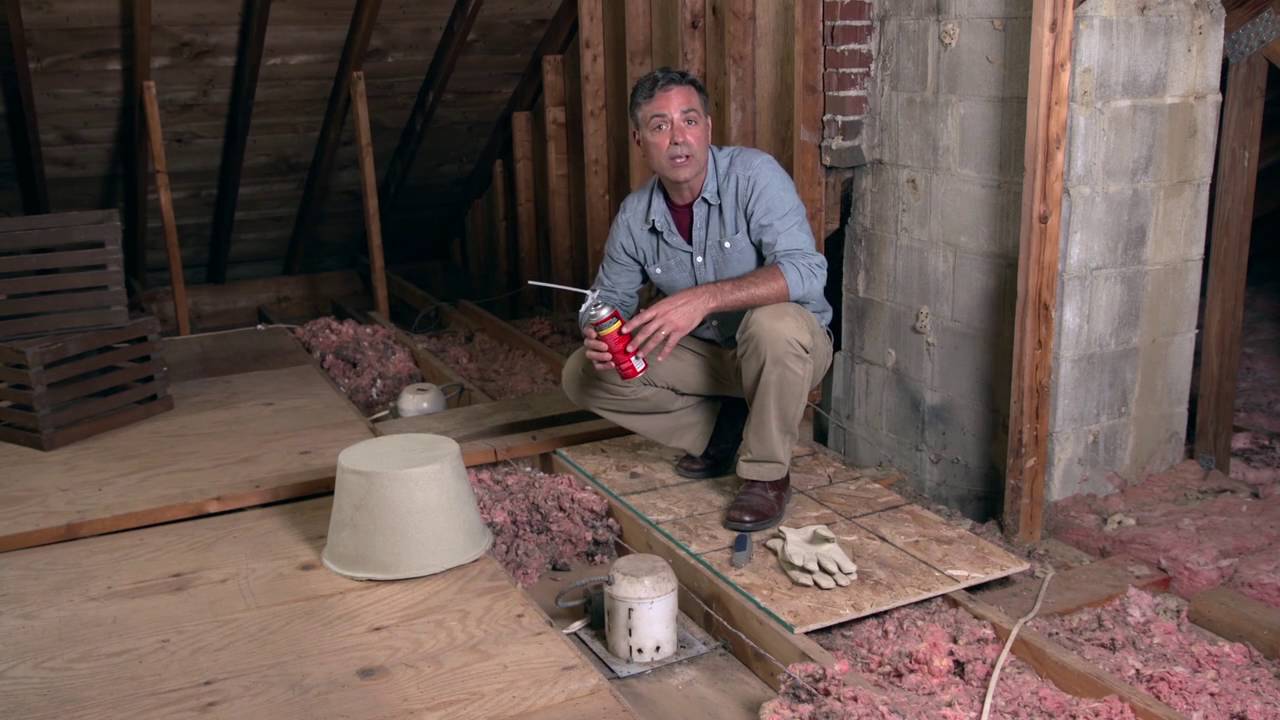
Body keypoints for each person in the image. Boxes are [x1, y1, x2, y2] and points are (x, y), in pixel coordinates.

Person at [561, 68, 833, 532]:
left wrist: (704, 299)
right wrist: (598, 330)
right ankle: (724, 430)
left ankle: (766, 474)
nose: (677, 138)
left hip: (788, 349)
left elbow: (807, 270)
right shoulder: (634, 215)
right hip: (709, 357)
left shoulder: (754, 175)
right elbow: (607, 298)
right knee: (584, 374)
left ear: (707, 127)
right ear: (640, 140)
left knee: (773, 326)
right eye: (659, 125)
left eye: (688, 121)